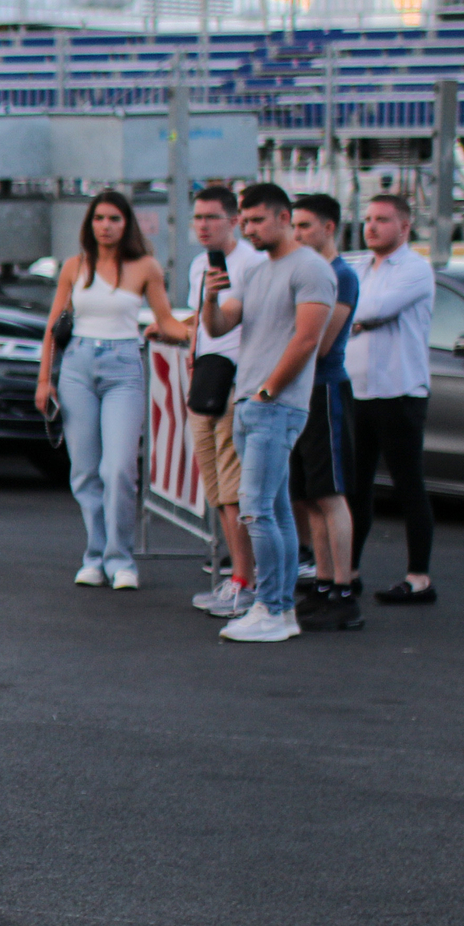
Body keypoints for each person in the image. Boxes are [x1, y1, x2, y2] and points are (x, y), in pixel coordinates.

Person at [33, 189, 191, 589]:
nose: (106, 226)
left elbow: (166, 320)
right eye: (100, 218)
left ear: (127, 224)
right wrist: (44, 379)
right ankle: (94, 554)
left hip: (123, 365)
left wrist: (200, 332)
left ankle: (121, 558)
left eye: (114, 219)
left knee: (119, 467)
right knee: (85, 470)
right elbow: (54, 326)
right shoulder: (74, 266)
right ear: (90, 223)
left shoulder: (145, 267)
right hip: (77, 367)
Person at [201, 184, 335, 643]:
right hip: (250, 405)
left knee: (256, 509)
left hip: (274, 406)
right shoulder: (258, 273)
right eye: (246, 219)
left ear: (283, 217)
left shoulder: (312, 269)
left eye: (258, 220)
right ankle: (275, 609)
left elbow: (306, 339)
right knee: (271, 510)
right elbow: (219, 326)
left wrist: (267, 391)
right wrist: (210, 298)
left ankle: (273, 609)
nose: (250, 228)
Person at [180, 185, 269, 618]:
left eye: (211, 217)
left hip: (238, 380)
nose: (202, 225)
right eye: (197, 217)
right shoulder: (200, 264)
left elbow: (227, 323)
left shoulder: (253, 264)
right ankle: (235, 577)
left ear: (234, 221)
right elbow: (201, 322)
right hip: (204, 379)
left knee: (234, 490)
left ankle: (245, 581)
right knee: (215, 487)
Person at [344, 193, 437, 606]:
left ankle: (419, 578)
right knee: (354, 487)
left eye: (382, 219)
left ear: (404, 225)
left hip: (399, 392)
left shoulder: (416, 268)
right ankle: (348, 572)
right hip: (357, 391)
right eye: (367, 219)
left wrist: (354, 315)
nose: (372, 226)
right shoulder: (358, 266)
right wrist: (355, 317)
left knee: (408, 486)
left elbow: (376, 308)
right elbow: (345, 307)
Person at [288, 196, 363, 631]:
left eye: (305, 226)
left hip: (324, 389)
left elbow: (323, 341)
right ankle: (322, 584)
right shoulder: (304, 271)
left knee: (331, 493)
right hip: (300, 391)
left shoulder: (342, 275)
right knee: (309, 495)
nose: (297, 234)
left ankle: (344, 589)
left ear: (329, 227)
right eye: (294, 226)